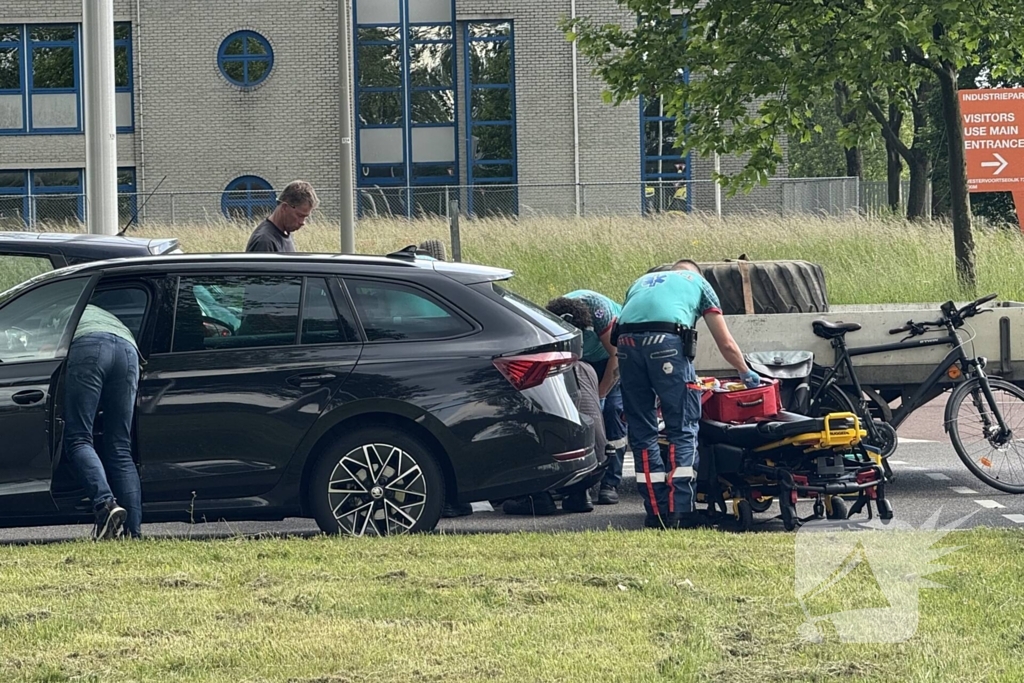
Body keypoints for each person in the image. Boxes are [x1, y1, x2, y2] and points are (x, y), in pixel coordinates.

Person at [615, 259, 760, 529]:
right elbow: (725, 342)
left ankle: (655, 513)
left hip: (625, 344)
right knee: (682, 428)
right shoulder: (699, 283)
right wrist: (745, 372)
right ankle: (681, 511)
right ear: (695, 273)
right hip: (666, 345)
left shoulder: (641, 282)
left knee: (643, 432)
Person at [63, 304, 144, 540]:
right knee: (120, 446)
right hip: (129, 351)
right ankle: (133, 533)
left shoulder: (51, 302)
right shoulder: (96, 309)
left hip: (89, 346)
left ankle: (105, 504)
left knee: (78, 439)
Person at [546, 291, 628, 505]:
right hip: (580, 362)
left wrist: (601, 394)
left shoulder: (599, 312)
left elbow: (616, 355)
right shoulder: (551, 318)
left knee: (611, 412)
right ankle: (579, 483)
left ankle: (610, 483)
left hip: (611, 358)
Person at [245, 180, 319, 252]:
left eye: (305, 217)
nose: (303, 222)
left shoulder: (285, 232)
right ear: (284, 207)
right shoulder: (265, 242)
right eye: (300, 215)